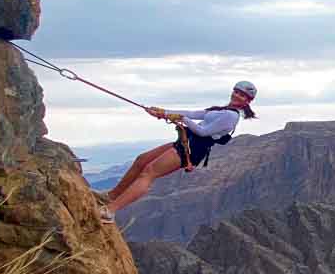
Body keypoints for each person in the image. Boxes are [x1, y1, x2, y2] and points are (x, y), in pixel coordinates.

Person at [97, 81, 257, 222]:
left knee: (149, 172)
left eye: (242, 95)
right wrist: (163, 112)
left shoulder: (230, 116)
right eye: (236, 92)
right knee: (142, 159)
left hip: (192, 149)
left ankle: (110, 211)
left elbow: (203, 131)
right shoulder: (222, 110)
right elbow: (194, 114)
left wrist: (179, 118)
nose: (237, 96)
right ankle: (110, 196)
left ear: (247, 101)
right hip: (186, 142)